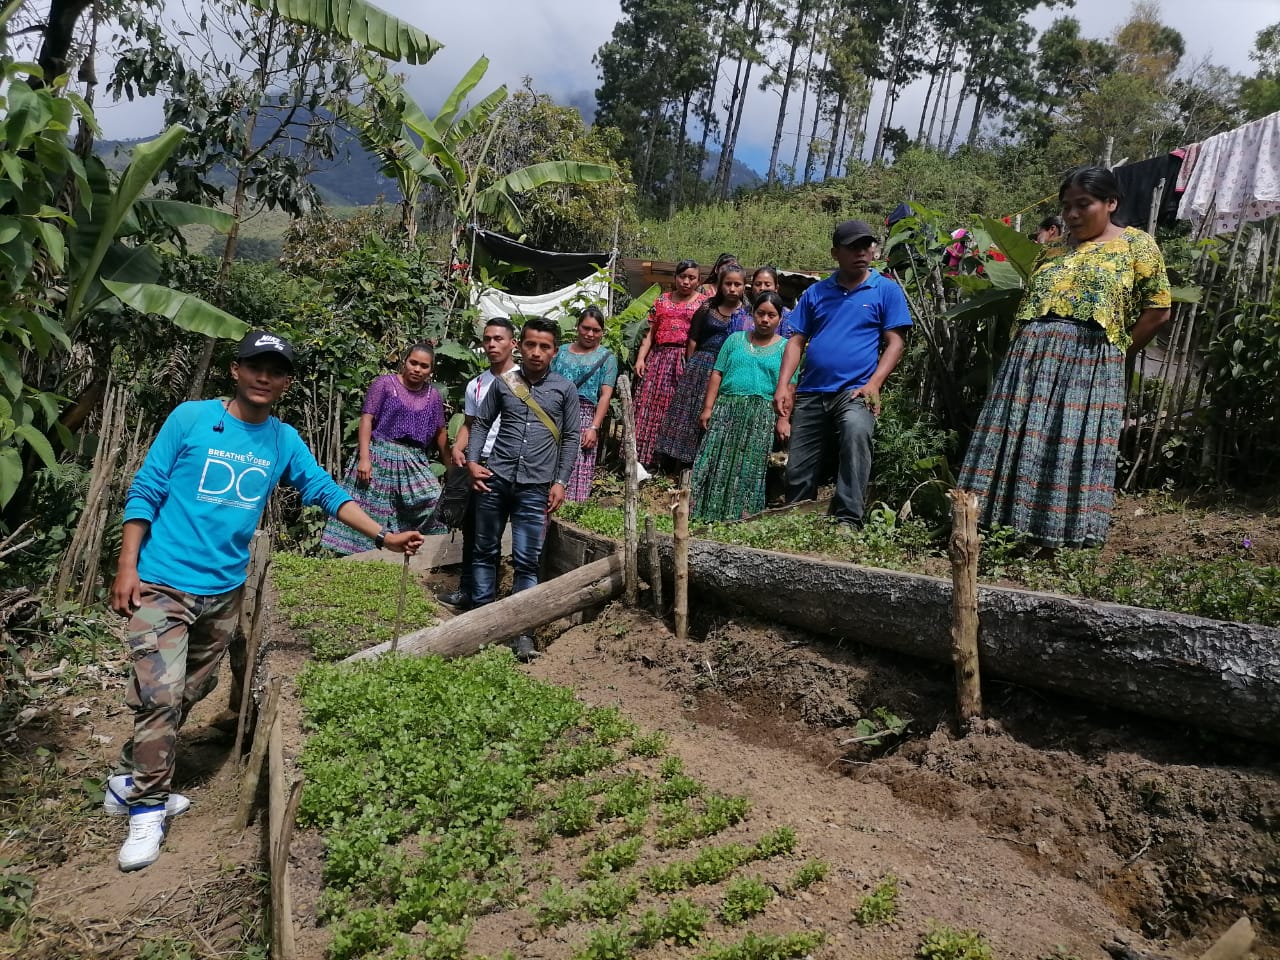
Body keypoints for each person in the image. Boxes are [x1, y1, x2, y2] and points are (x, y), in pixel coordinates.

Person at [108, 331, 423, 872]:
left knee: (192, 687)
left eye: (276, 370)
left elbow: (324, 489)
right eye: (256, 365)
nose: (264, 376)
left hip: (225, 590)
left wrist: (382, 536)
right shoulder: (190, 419)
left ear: (285, 383)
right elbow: (147, 488)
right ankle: (149, 807)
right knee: (161, 693)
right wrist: (127, 565)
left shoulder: (281, 440)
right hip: (162, 581)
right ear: (236, 370)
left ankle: (131, 777)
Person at [958, 166, 1171, 548]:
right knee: (1019, 437)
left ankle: (1061, 536)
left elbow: (1158, 310)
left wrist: (1117, 350)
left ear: (1111, 203)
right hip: (1030, 357)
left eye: (1083, 205)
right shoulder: (1052, 251)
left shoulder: (1136, 245)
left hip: (1090, 359)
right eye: (1067, 206)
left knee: (1069, 442)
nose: (1072, 215)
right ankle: (997, 528)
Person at [773, 219, 913, 527]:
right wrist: (784, 385)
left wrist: (874, 384)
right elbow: (795, 341)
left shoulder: (885, 290)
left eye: (866, 245)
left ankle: (848, 519)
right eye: (852, 247)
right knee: (799, 462)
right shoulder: (816, 293)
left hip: (855, 391)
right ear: (836, 253)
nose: (861, 252)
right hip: (811, 391)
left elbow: (895, 343)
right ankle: (795, 518)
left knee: (856, 434)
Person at [466, 317, 581, 661]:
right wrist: (473, 462)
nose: (536, 352)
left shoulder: (565, 390)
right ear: (521, 346)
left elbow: (573, 437)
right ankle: (479, 625)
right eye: (530, 344)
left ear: (554, 352)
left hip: (535, 488)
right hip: (495, 478)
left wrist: (560, 481)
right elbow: (482, 423)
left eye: (544, 346)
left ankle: (522, 634)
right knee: (484, 552)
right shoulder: (504, 383)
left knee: (526, 562)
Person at [320, 342, 449, 554]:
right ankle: (355, 558)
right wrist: (364, 458)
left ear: (430, 370)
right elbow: (366, 419)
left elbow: (440, 431)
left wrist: (451, 469)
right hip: (379, 452)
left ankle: (417, 552)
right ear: (404, 362)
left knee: (433, 499)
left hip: (413, 460)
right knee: (369, 508)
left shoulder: (433, 396)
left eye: (424, 366)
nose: (417, 369)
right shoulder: (385, 384)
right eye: (413, 362)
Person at [691, 291, 793, 522]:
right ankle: (703, 514)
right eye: (760, 313)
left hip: (762, 414)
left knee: (749, 468)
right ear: (752, 314)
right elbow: (717, 373)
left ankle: (741, 518)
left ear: (780, 319)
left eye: (771, 315)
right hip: (727, 409)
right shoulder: (735, 339)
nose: (765, 319)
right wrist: (708, 407)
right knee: (715, 461)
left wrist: (783, 418)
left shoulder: (787, 349)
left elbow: (790, 387)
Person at [440, 318, 518, 610]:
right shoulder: (477, 384)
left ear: (513, 343)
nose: (492, 345)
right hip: (476, 463)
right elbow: (470, 424)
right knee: (472, 528)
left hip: (507, 464)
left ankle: (490, 594)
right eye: (487, 339)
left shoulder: (526, 381)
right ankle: (467, 590)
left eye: (498, 338)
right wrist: (458, 449)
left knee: (492, 532)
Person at [658, 264, 749, 469]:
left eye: (737, 284)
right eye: (728, 283)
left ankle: (704, 463)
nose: (732, 289)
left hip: (728, 370)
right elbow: (693, 339)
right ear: (720, 285)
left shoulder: (747, 314)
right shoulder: (708, 307)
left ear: (744, 286)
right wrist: (692, 366)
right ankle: (676, 464)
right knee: (688, 414)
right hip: (701, 365)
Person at [634, 259, 705, 468]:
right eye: (682, 276)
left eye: (691, 278)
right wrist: (641, 358)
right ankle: (643, 461)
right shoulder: (662, 300)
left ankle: (668, 464)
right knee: (648, 407)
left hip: (685, 360)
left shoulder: (703, 303)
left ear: (698, 280)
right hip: (658, 360)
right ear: (675, 278)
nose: (686, 281)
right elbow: (649, 333)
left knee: (675, 410)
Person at [551, 306, 618, 502]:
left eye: (596, 330)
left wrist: (594, 427)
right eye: (585, 328)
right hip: (555, 415)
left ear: (602, 333)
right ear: (577, 327)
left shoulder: (607, 358)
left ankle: (571, 511)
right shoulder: (560, 352)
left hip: (585, 417)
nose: (590, 334)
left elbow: (605, 395)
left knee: (578, 465)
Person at [731, 265, 794, 337]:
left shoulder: (786, 316)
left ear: (776, 288)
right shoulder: (739, 314)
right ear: (752, 287)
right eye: (758, 284)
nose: (762, 288)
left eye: (767, 285)